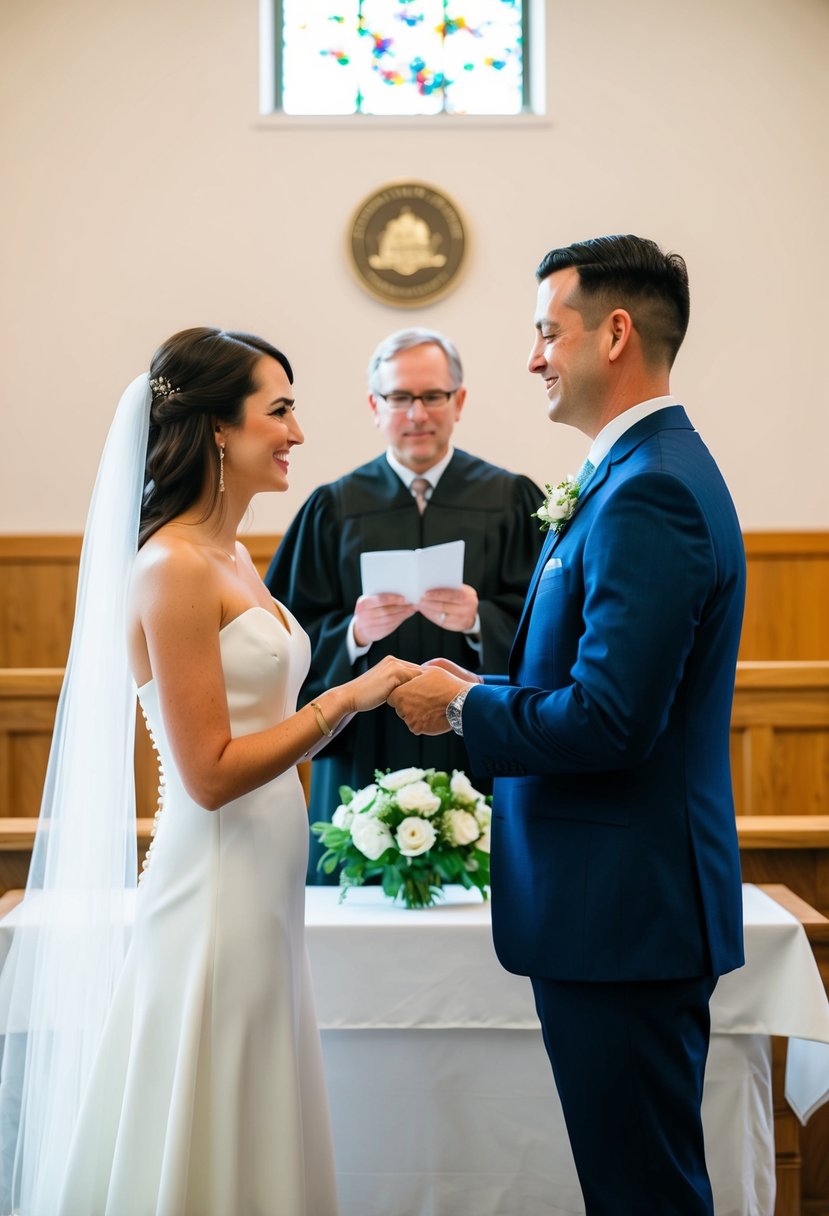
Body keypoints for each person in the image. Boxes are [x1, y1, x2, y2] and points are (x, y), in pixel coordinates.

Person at [0, 327, 417, 1215]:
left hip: (264, 884)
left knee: (255, 1093)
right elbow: (212, 774)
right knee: (211, 1093)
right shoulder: (171, 567)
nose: (299, 431)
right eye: (280, 410)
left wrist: (358, 696)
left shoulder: (232, 558)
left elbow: (265, 730)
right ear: (220, 431)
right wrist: (349, 698)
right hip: (215, 885)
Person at [389, 236, 746, 1215]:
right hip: (617, 907)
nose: (534, 355)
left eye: (547, 330)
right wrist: (486, 681)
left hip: (621, 913)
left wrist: (463, 704)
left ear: (615, 333)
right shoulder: (633, 472)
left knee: (642, 1191)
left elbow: (609, 720)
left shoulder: (650, 490)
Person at [266, 328, 543, 881]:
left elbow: (552, 626)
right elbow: (277, 639)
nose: (417, 414)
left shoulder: (510, 500)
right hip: (362, 749)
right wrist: (353, 635)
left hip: (474, 747)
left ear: (458, 402)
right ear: (375, 405)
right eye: (399, 398)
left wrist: (480, 621)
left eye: (432, 396)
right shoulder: (333, 508)